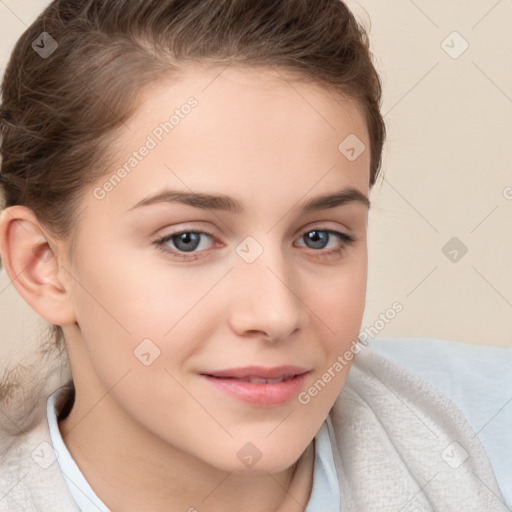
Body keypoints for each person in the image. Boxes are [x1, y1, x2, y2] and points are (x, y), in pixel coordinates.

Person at [0, 1, 509, 510]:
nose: (276, 314)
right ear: (43, 265)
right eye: (188, 240)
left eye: (320, 237)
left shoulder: (490, 431)